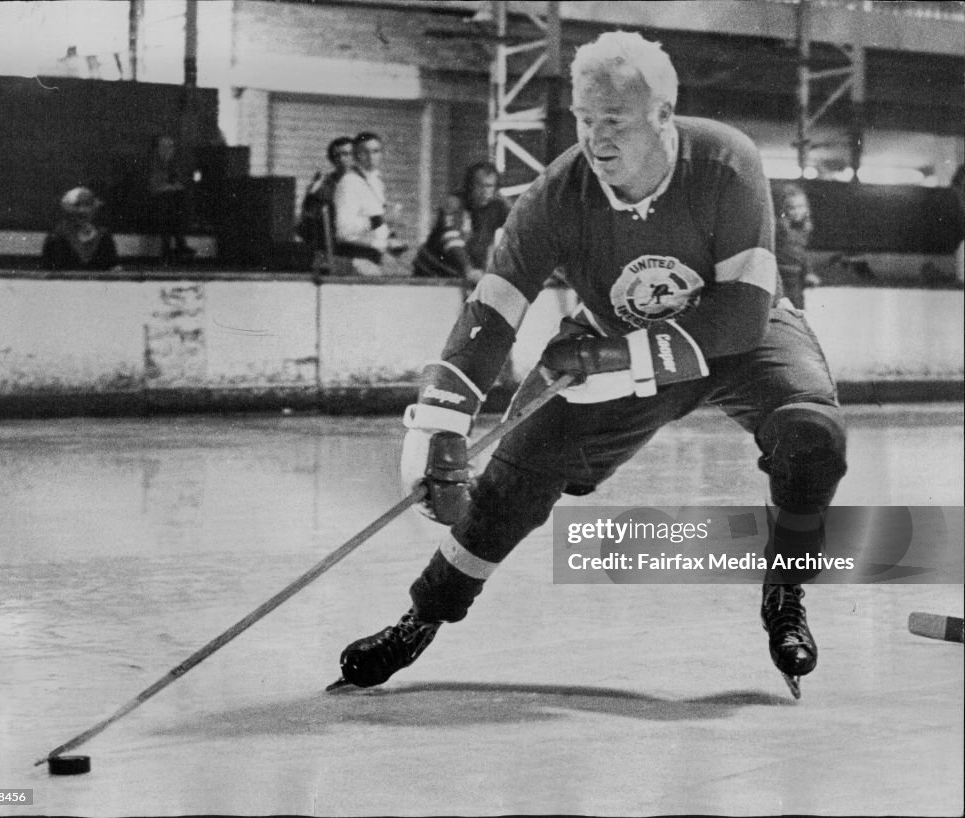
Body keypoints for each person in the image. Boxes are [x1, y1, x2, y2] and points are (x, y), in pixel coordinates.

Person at [337, 31, 847, 698]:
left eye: (616, 121)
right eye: (583, 118)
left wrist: (620, 356)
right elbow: (492, 310)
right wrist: (439, 419)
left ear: (664, 114)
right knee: (517, 471)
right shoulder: (557, 195)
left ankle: (786, 590)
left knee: (814, 434)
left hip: (740, 339)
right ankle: (422, 616)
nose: (596, 140)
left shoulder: (727, 161)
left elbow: (742, 314)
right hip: (616, 341)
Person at [412, 161, 512, 283]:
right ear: (469, 186)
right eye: (479, 185)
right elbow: (452, 239)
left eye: (489, 186)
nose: (485, 191)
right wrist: (468, 269)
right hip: (430, 273)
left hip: (464, 275)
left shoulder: (499, 206)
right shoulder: (454, 203)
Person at [333, 131, 408, 275]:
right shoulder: (349, 183)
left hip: (377, 252)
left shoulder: (376, 181)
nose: (371, 156)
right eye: (365, 152)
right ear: (356, 155)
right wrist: (381, 219)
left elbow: (377, 225)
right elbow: (344, 230)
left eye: (375, 151)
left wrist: (390, 237)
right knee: (403, 277)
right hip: (357, 255)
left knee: (415, 267)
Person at [295, 136, 355, 257]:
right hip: (331, 248)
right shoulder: (323, 185)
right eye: (337, 155)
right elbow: (306, 220)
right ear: (331, 159)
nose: (342, 159)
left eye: (347, 154)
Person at [40, 186, 119, 271]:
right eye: (77, 205)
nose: (82, 210)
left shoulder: (104, 237)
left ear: (94, 209)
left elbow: (112, 267)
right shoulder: (56, 237)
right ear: (67, 209)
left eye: (87, 204)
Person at [146, 134, 195, 264]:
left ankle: (169, 248)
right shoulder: (153, 164)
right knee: (167, 203)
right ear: (158, 148)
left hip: (171, 204)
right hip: (154, 202)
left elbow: (181, 184)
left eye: (171, 147)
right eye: (165, 147)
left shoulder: (175, 164)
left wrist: (171, 187)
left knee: (172, 204)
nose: (169, 150)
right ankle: (179, 244)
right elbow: (155, 186)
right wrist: (170, 187)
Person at [774, 183, 819, 309]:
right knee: (781, 309)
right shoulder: (780, 228)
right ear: (784, 210)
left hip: (796, 279)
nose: (797, 211)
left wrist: (808, 272)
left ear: (806, 208)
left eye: (800, 207)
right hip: (780, 276)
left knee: (798, 309)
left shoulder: (804, 229)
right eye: (791, 208)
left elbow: (802, 254)